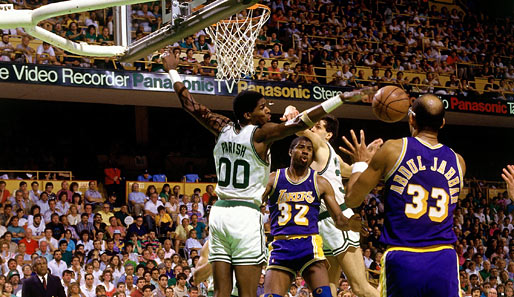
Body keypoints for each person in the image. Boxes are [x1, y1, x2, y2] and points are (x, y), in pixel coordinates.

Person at [162, 49, 375, 297]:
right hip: (245, 214)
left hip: (219, 212)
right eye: (262, 107)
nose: (267, 111)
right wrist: (341, 98)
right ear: (247, 114)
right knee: (248, 292)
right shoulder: (260, 135)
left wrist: (172, 70)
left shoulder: (221, 127)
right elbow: (299, 124)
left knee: (221, 292)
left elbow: (189, 104)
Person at [340, 94, 466, 297]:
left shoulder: (393, 149)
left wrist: (360, 162)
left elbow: (352, 199)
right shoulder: (458, 161)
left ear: (411, 119)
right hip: (445, 258)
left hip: (404, 256)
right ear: (442, 123)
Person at [280, 112, 380, 297]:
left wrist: (291, 109)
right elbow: (350, 171)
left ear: (328, 135)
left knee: (360, 288)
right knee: (329, 287)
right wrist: (366, 161)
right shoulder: (331, 156)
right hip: (321, 225)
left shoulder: (321, 146)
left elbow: (299, 128)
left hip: (338, 221)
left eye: (318, 127)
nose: (312, 129)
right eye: (314, 126)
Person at [261, 137, 361, 297]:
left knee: (325, 295)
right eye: (301, 147)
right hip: (281, 245)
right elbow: (255, 205)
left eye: (309, 148)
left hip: (309, 245)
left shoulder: (320, 182)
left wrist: (351, 224)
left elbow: (339, 220)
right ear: (290, 152)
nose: (306, 150)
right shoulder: (273, 178)